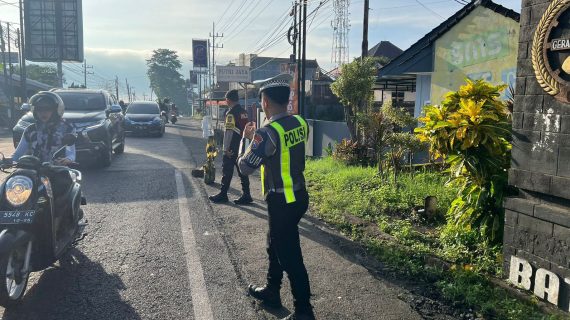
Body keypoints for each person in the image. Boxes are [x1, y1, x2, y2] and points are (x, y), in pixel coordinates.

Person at [237, 74, 315, 320]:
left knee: (290, 256)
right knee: (275, 245)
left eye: (261, 100)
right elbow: (284, 149)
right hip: (299, 196)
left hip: (282, 201)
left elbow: (245, 167)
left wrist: (246, 140)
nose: (261, 105)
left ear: (266, 102)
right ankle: (272, 291)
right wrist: (256, 140)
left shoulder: (267, 133)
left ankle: (304, 312)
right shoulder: (300, 123)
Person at [209, 89, 252, 204]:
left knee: (227, 171)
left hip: (232, 147)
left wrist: (225, 149)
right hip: (242, 146)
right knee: (242, 171)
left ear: (228, 100)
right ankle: (247, 195)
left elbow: (229, 132)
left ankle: (223, 195)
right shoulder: (244, 112)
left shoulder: (231, 113)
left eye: (226, 100)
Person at [12, 91, 76, 165]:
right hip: (34, 170)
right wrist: (6, 161)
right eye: (39, 109)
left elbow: (71, 154)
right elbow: (17, 154)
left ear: (56, 110)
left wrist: (68, 159)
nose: (43, 112)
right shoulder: (30, 130)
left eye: (47, 109)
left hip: (58, 170)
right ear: (35, 111)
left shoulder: (67, 128)